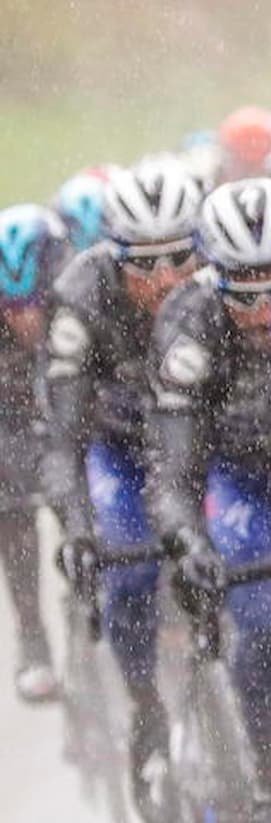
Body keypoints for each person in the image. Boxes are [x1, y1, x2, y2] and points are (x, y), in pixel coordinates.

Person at [41, 158, 203, 820]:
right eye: (145, 264)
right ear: (114, 256)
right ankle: (146, 713)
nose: (165, 281)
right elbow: (64, 438)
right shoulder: (81, 295)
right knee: (129, 565)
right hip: (119, 448)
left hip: (201, 441)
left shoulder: (224, 284)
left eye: (178, 259)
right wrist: (79, 528)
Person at [146, 177, 271, 822]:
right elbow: (175, 466)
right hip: (239, 478)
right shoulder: (188, 322)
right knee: (264, 610)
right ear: (214, 278)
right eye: (245, 296)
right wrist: (186, 539)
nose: (266, 314)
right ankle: (270, 770)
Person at [0, 205, 72, 703]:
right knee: (11, 508)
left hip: (74, 417)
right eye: (11, 308)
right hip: (14, 426)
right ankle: (33, 636)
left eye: (37, 305)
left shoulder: (86, 299)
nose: (27, 321)